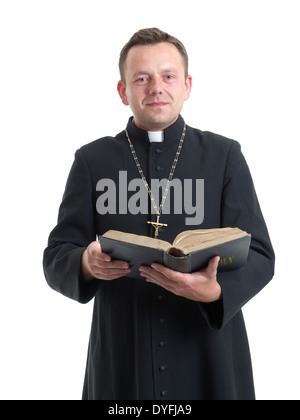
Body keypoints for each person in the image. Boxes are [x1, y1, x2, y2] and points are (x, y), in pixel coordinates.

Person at [43, 28, 275, 400]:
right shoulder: (92, 160)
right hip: (122, 357)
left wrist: (216, 291)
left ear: (187, 85)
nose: (156, 88)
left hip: (209, 355)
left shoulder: (224, 155)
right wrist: (85, 263)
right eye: (142, 78)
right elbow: (56, 256)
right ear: (123, 91)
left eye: (168, 76)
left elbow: (261, 255)